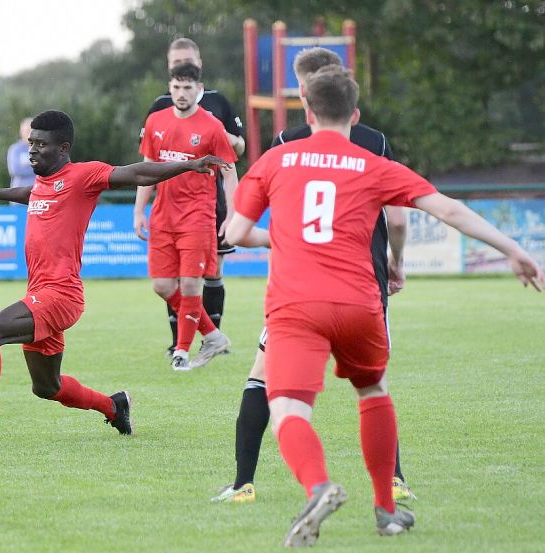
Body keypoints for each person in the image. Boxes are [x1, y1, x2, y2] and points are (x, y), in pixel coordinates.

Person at [225, 66, 543, 547]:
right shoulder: (373, 163)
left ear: (307, 112)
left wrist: (282, 238)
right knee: (373, 392)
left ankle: (318, 486)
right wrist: (513, 249)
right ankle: (387, 511)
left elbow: (235, 233)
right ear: (353, 114)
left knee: (289, 408)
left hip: (297, 305)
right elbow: (447, 209)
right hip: (360, 301)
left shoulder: (276, 160)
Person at [0, 110, 228, 448]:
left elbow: (137, 172)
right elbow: (32, 193)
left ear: (63, 148)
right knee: (47, 387)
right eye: (31, 143)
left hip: (61, 295)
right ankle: (114, 407)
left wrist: (188, 165)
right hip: (42, 293)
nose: (33, 151)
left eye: (42, 144)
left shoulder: (84, 176)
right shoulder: (44, 183)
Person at [213, 47, 413, 505]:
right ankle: (393, 484)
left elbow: (244, 226)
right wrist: (397, 263)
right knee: (373, 383)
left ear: (305, 92)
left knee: (266, 379)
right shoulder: (375, 140)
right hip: (366, 280)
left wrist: (274, 238)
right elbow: (398, 217)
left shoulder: (287, 143)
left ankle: (244, 483)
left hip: (300, 285)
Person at [141, 37, 245, 358]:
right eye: (175, 64)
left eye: (186, 62)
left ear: (199, 65)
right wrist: (139, 207)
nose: (181, 89)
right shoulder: (159, 108)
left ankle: (202, 343)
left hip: (207, 203)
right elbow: (149, 164)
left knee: (208, 274)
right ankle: (189, 338)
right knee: (169, 281)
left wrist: (213, 131)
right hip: (167, 208)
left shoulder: (218, 104)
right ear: (168, 70)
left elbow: (237, 150)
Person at [7, 118, 35, 188]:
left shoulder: (41, 149)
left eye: (32, 131)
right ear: (21, 132)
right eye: (27, 131)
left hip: (37, 192)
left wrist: (26, 165)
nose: (30, 134)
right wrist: (37, 168)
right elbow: (15, 170)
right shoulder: (15, 149)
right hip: (19, 193)